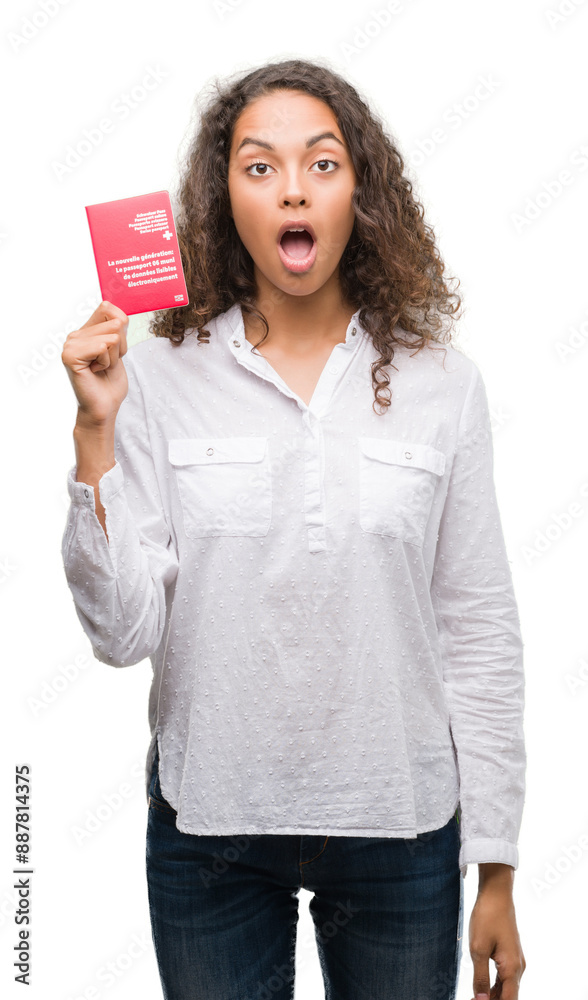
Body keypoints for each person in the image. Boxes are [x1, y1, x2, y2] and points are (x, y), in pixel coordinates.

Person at [61, 57, 526, 1000]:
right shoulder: (157, 374)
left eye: (321, 162)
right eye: (258, 165)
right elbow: (123, 637)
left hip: (401, 824)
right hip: (212, 828)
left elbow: (478, 631)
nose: (292, 188)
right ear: (223, 197)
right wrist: (95, 433)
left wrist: (499, 868)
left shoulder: (445, 383)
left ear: (361, 190)